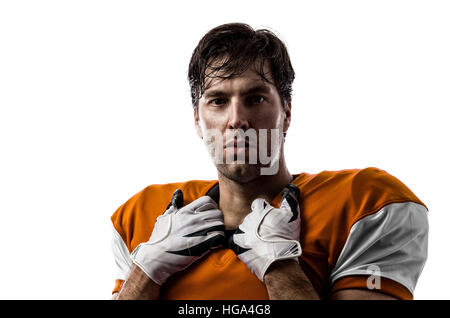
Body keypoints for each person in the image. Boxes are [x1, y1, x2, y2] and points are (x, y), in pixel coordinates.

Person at [110, 23, 428, 300]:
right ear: (197, 119)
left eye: (255, 99)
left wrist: (279, 264)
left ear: (286, 112)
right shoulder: (142, 216)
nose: (237, 120)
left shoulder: (365, 203)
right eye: (218, 101)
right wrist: (145, 269)